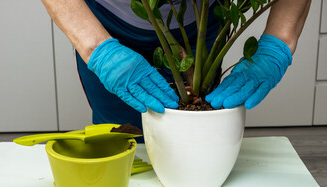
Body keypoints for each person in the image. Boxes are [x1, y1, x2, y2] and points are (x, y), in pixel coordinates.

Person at [41, 0, 311, 135]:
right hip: (105, 26)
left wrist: (279, 40)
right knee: (122, 137)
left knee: (197, 136)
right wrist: (95, 47)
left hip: (204, 21)